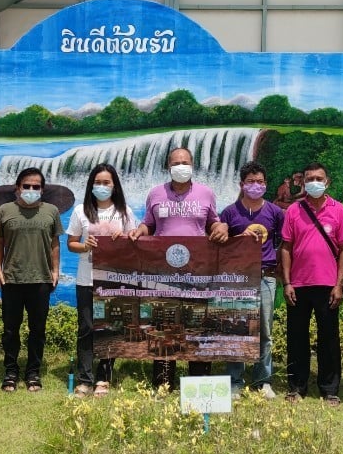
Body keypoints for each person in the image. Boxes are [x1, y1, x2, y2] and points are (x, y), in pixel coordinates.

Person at [130, 146, 228, 388]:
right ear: (168, 167)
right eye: (176, 163)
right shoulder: (155, 194)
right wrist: (138, 231)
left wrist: (222, 227)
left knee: (196, 327)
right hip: (163, 273)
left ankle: (198, 384)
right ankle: (163, 384)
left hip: (196, 274)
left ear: (192, 166)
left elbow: (213, 223)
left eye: (185, 162)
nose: (181, 167)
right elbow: (148, 224)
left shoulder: (206, 194)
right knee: (164, 327)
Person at [279, 162, 343, 405]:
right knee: (296, 337)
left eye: (319, 178)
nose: (314, 183)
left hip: (328, 285)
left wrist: (339, 284)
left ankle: (329, 388)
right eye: (310, 178)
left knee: (329, 338)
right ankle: (296, 386)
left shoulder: (339, 210)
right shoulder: (294, 211)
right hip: (298, 285)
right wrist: (287, 282)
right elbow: (286, 247)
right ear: (302, 182)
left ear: (327, 181)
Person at [66, 163, 139, 397]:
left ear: (114, 185)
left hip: (114, 280)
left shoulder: (124, 211)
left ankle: (103, 378)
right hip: (86, 279)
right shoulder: (81, 211)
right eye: (97, 182)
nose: (102, 186)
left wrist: (125, 237)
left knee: (111, 328)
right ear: (91, 185)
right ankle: (85, 378)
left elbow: (135, 241)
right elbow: (71, 243)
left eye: (106, 182)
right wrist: (84, 245)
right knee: (86, 328)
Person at [0, 167, 63, 393]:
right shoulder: (4, 211)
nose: (31, 190)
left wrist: (55, 270)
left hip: (41, 279)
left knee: (38, 329)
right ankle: (11, 371)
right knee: (10, 329)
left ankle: (33, 372)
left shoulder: (51, 211)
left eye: (36, 187)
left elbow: (54, 243)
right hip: (12, 279)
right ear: (17, 188)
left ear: (42, 190)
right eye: (27, 186)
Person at [217, 161, 283, 399]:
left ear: (266, 184)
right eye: (251, 182)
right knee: (236, 330)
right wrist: (238, 239)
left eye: (260, 182)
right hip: (237, 279)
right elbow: (219, 246)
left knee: (265, 332)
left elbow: (282, 243)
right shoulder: (229, 212)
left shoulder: (275, 212)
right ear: (242, 185)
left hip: (265, 278)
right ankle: (235, 381)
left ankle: (263, 380)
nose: (256, 186)